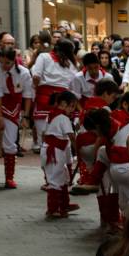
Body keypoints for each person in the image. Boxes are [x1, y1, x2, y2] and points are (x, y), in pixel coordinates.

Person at [0, 48, 33, 188]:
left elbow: (27, 95)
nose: (3, 65)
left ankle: (9, 178)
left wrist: (26, 116)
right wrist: (0, 117)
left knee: (10, 143)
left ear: (14, 61)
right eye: (1, 61)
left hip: (14, 105)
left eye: (7, 62)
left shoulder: (25, 72)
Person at [32, 39, 79, 162]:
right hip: (63, 103)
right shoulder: (72, 64)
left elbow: (36, 77)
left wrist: (35, 92)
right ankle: (63, 173)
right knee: (63, 138)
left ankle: (49, 176)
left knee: (46, 140)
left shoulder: (44, 56)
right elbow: (73, 85)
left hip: (45, 99)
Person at [41, 90, 77, 218]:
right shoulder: (63, 118)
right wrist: (78, 149)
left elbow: (43, 134)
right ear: (62, 104)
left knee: (61, 178)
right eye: (71, 106)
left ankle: (64, 205)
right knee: (55, 180)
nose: (73, 110)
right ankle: (53, 209)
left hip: (52, 149)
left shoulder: (51, 114)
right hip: (54, 151)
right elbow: (71, 136)